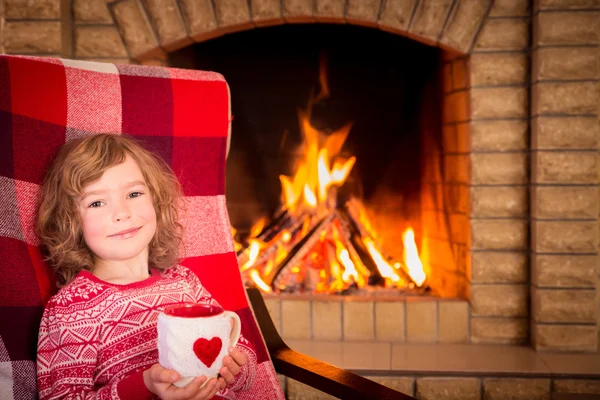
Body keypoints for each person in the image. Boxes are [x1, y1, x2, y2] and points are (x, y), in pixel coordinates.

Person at [36, 134, 255, 400]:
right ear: (70, 221)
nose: (122, 212)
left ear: (156, 201)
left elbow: (238, 349)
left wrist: (237, 369)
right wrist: (144, 386)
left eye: (134, 193)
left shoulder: (184, 281)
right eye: (96, 202)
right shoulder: (74, 307)